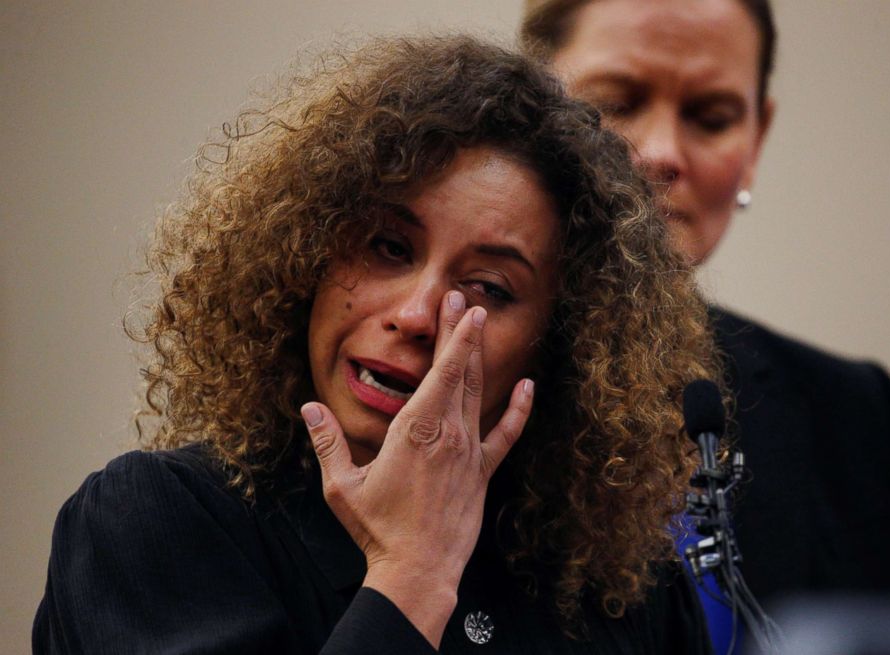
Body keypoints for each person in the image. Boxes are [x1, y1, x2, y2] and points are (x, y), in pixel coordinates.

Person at [34, 35, 722, 654]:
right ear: (309, 255)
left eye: (487, 287)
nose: (418, 313)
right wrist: (411, 574)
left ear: (560, 344)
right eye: (389, 247)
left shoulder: (620, 588)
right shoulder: (156, 520)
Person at [521, 0, 890, 647]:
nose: (661, 153)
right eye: (617, 102)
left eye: (711, 117)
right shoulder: (425, 380)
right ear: (529, 110)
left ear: (756, 140)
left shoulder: (859, 419)